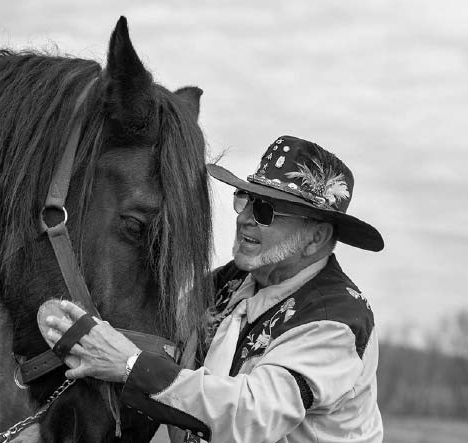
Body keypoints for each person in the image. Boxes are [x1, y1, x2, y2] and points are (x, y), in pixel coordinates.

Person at [43, 135, 385, 442]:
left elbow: (252, 417)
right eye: (245, 200)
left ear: (316, 237)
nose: (245, 218)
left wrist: (130, 366)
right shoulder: (229, 281)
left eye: (265, 210)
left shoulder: (336, 319)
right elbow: (157, 339)